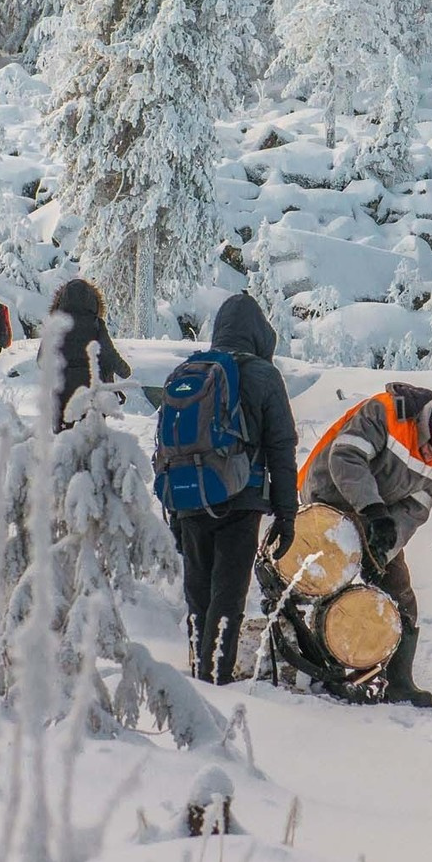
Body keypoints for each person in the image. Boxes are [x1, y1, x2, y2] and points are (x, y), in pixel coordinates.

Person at [300, 381, 432, 709]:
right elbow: (346, 458)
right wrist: (373, 510)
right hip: (329, 495)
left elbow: (414, 510)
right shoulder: (385, 412)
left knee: (399, 591)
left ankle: (399, 681)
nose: (430, 458)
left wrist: (386, 544)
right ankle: (324, 669)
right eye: (430, 449)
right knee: (328, 583)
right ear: (428, 430)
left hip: (376, 514)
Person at [173, 293, 298, 685]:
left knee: (198, 593)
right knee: (227, 595)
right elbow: (281, 448)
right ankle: (215, 681)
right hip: (241, 499)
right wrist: (286, 514)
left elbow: (169, 445)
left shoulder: (189, 370)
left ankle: (198, 674)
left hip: (190, 496)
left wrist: (174, 508)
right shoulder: (263, 375)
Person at [43, 276, 131, 430]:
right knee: (92, 438)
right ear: (93, 301)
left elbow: (42, 360)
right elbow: (109, 354)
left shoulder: (56, 325)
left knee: (62, 437)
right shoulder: (96, 324)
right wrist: (124, 371)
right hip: (92, 385)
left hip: (62, 386)